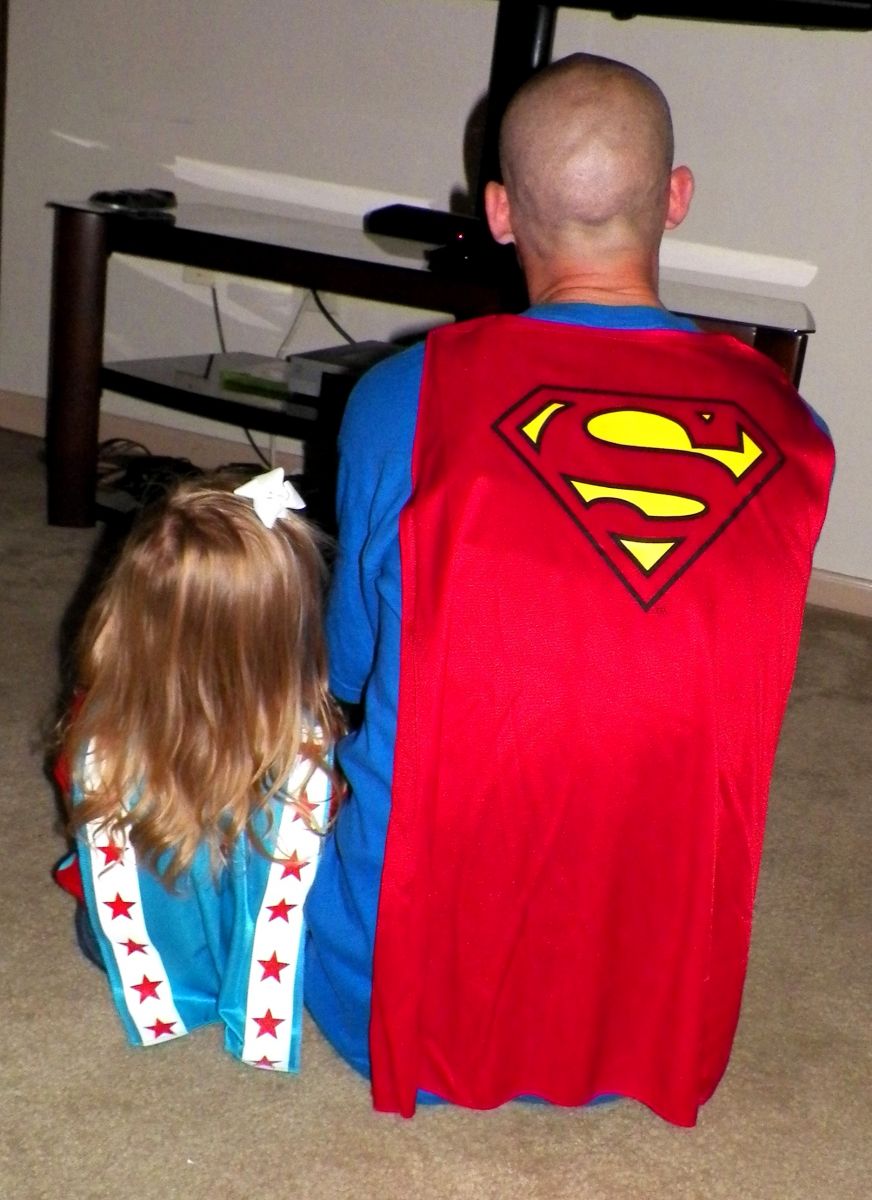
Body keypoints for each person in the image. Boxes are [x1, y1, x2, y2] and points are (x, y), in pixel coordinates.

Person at [303, 53, 834, 1124]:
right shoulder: (792, 430)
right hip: (661, 1018)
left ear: (498, 213)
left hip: (399, 1007)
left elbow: (347, 671)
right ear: (675, 198)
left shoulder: (406, 397)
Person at [54, 468, 343, 1073]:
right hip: (269, 941)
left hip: (142, 934)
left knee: (95, 917)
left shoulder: (96, 731)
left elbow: (81, 814)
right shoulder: (308, 742)